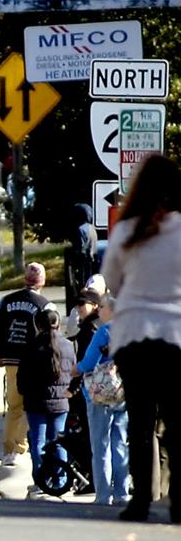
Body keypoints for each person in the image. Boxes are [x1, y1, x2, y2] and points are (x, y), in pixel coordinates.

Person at [98, 154, 181, 522]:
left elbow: (112, 281)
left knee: (140, 422)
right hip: (175, 334)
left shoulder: (127, 231)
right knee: (176, 421)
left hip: (133, 334)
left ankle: (140, 500)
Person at [0, 262, 53, 467]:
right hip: (34, 361)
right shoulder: (45, 305)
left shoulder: (5, 301)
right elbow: (52, 333)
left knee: (14, 405)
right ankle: (19, 447)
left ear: (25, 278)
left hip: (11, 361)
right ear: (42, 281)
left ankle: (7, 448)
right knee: (29, 406)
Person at [73, 294, 131, 507]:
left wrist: (75, 370)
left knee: (100, 445)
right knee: (120, 444)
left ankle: (103, 494)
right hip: (123, 392)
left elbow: (88, 362)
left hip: (101, 394)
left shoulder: (105, 331)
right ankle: (122, 492)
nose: (100, 311)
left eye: (104, 307)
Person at [18, 308, 76, 496]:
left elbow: (22, 378)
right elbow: (74, 372)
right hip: (61, 402)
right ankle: (61, 480)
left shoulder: (31, 346)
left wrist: (25, 393)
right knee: (58, 441)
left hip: (36, 402)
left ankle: (41, 480)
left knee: (38, 441)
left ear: (38, 325)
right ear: (58, 324)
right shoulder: (68, 345)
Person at [65, 203, 99, 310]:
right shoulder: (92, 228)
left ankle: (83, 307)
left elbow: (80, 248)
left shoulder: (80, 229)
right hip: (92, 261)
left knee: (82, 288)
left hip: (82, 263)